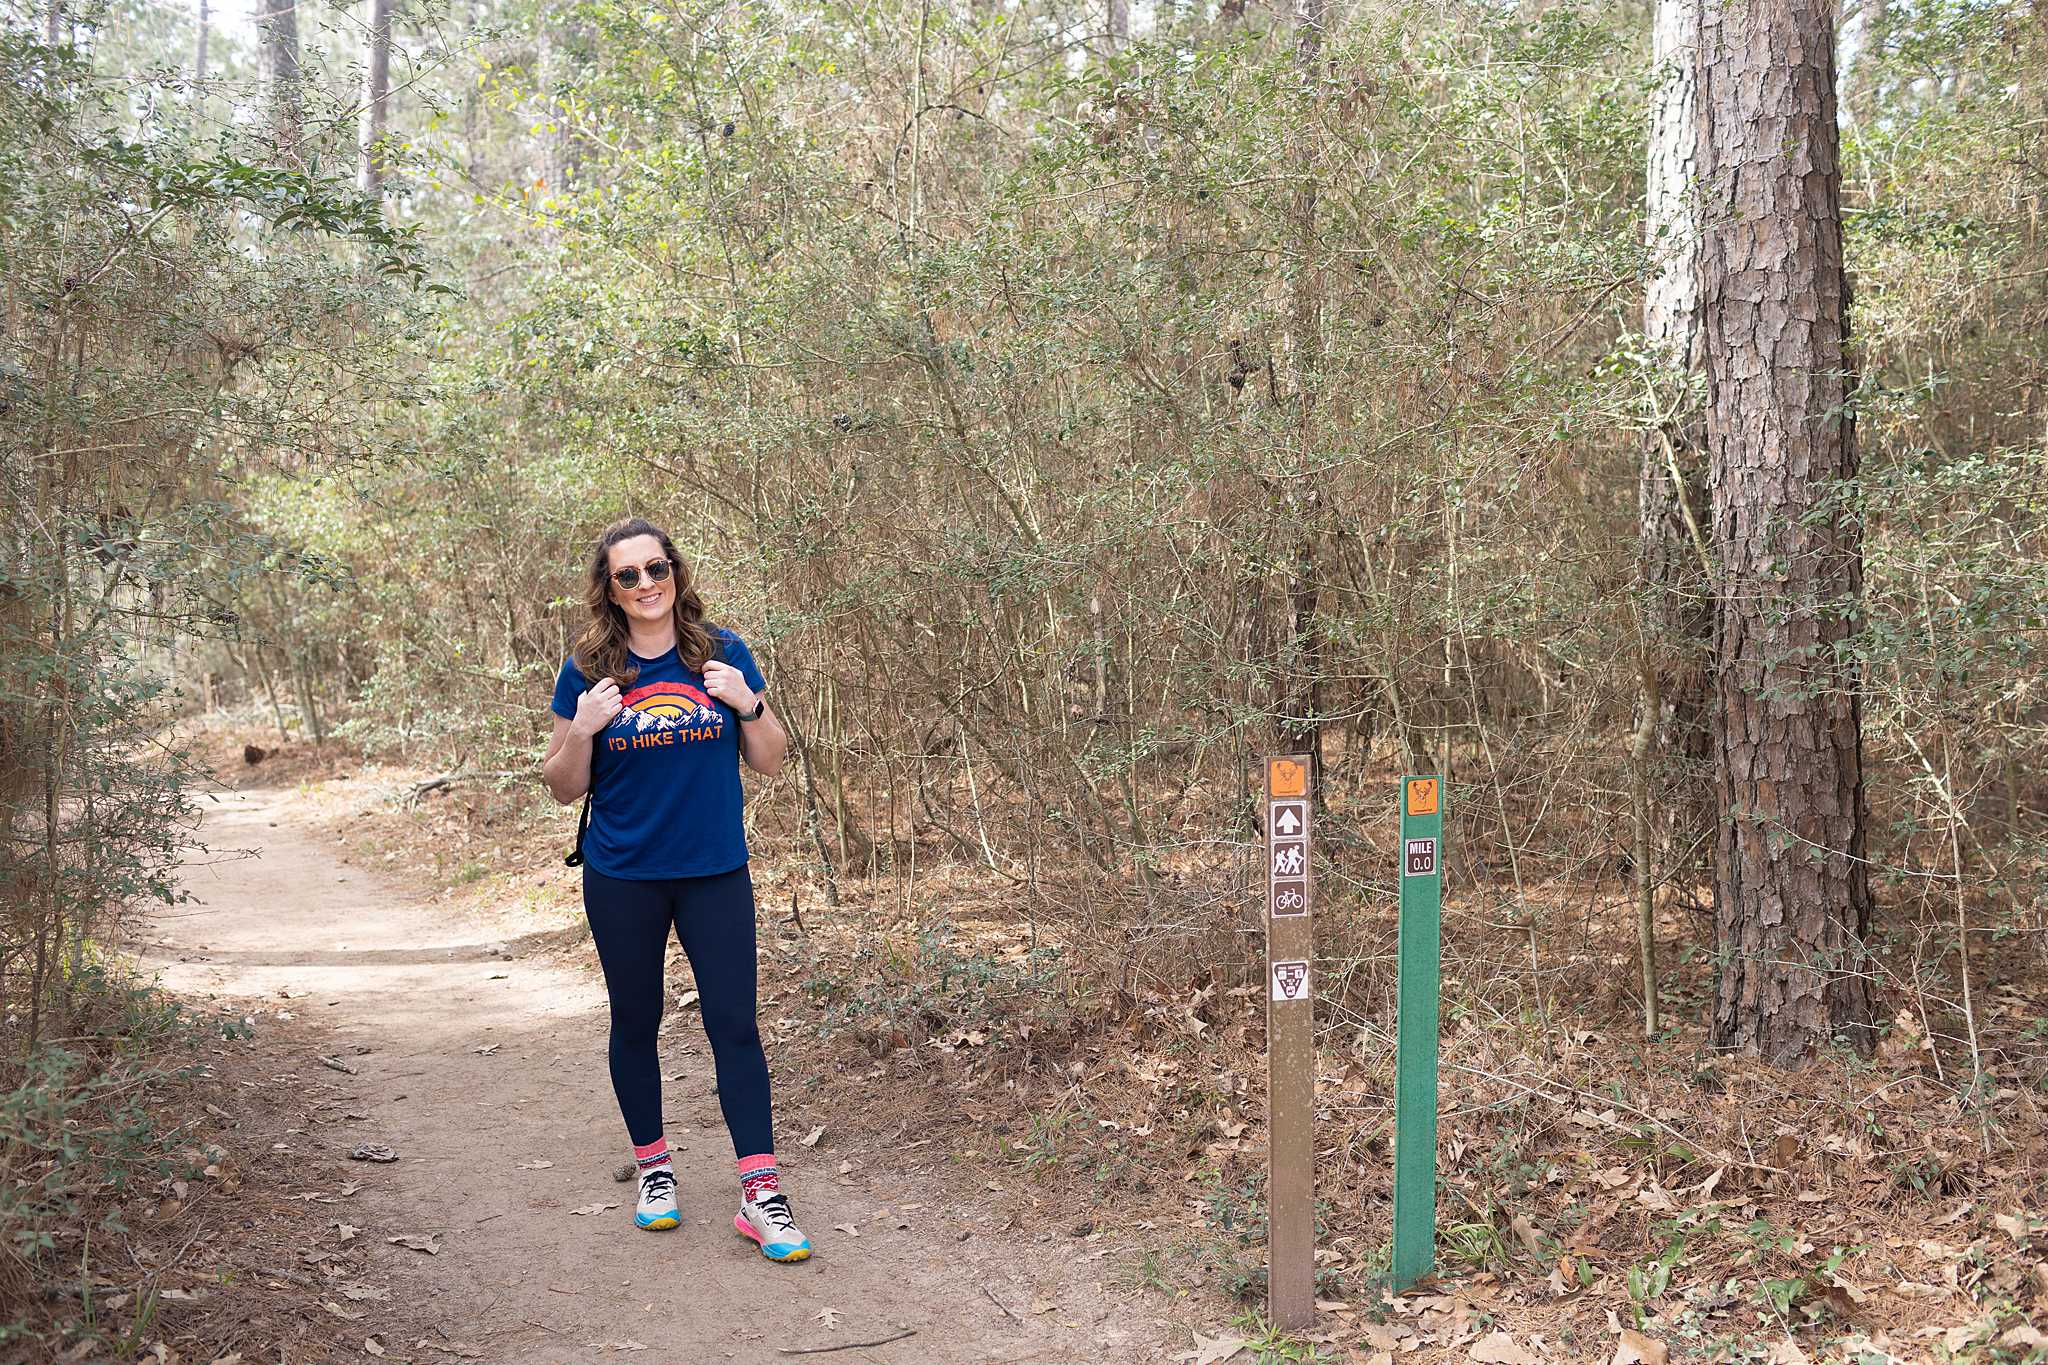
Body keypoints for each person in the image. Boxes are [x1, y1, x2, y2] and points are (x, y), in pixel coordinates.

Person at [540, 516, 810, 1263]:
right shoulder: (588, 667)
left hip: (714, 871)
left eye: (655, 568)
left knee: (736, 1025)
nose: (646, 584)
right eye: (628, 575)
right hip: (623, 875)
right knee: (636, 1020)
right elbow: (562, 788)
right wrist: (582, 730)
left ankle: (761, 1193)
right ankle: (655, 1171)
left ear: (675, 572)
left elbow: (773, 761)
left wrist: (747, 703)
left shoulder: (719, 652)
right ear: (611, 589)